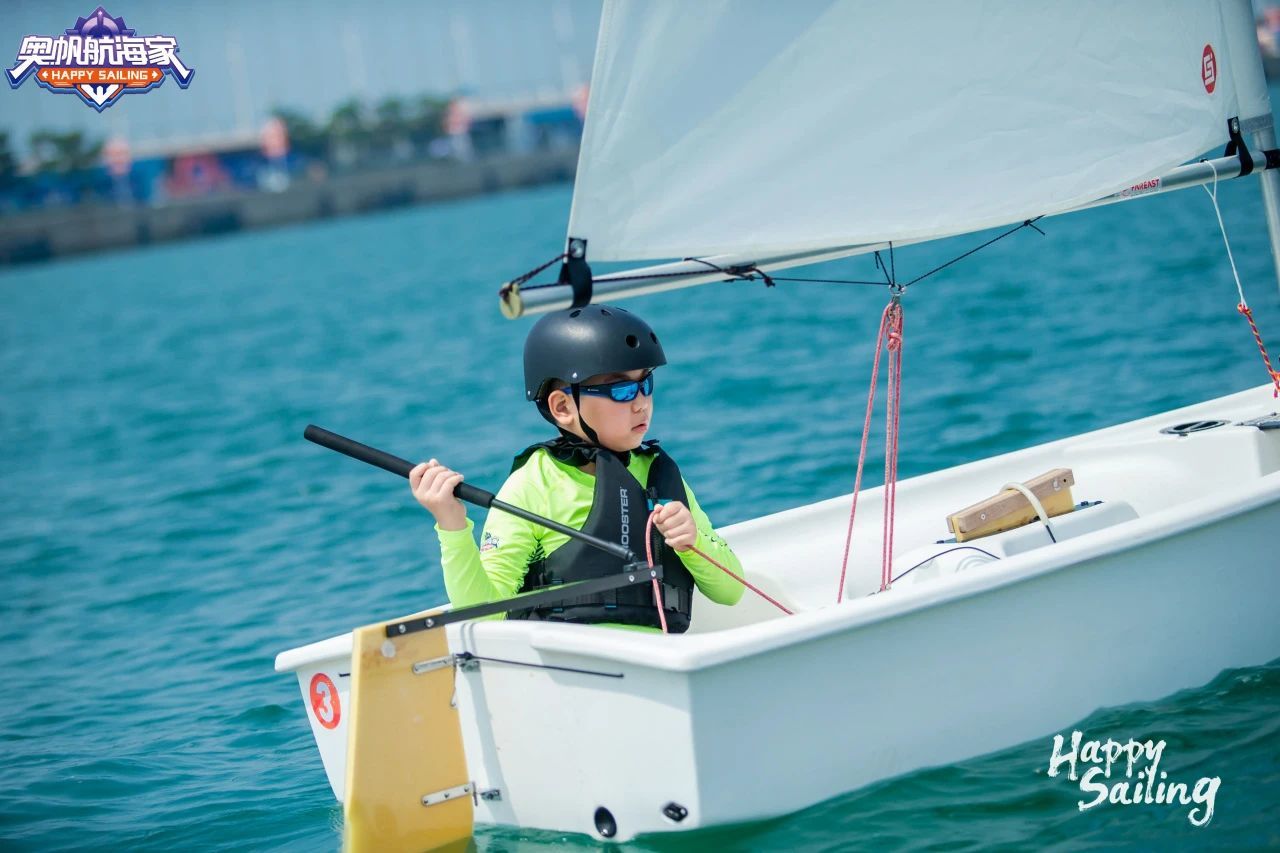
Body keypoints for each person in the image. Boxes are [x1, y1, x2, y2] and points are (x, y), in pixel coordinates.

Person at [410, 304, 744, 632]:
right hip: (577, 669)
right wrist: (451, 523)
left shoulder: (662, 474)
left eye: (646, 385)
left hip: (667, 663)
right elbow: (484, 618)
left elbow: (732, 591)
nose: (641, 403)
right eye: (622, 390)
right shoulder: (532, 485)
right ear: (563, 406)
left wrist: (694, 542)